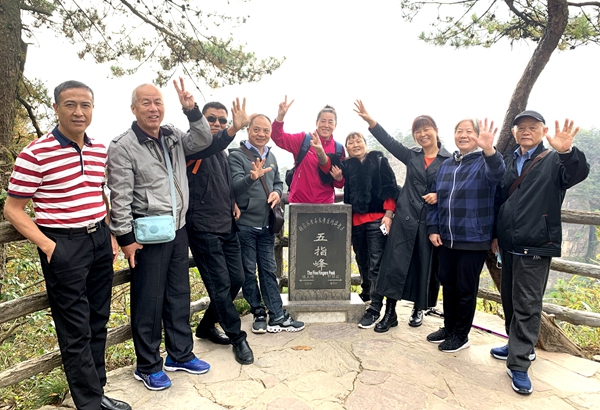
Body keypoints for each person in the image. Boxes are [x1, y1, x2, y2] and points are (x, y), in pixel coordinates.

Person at [5, 81, 131, 410]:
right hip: (64, 245)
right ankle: (89, 403)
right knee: (75, 327)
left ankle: (98, 390)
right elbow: (13, 209)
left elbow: (98, 192)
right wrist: (49, 247)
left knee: (98, 319)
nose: (78, 112)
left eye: (85, 105)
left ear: (93, 109)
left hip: (98, 240)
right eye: (70, 104)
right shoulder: (36, 153)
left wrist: (109, 232)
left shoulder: (98, 149)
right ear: (56, 108)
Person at [108, 79, 213, 391]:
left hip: (177, 229)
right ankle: (148, 365)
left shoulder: (172, 136)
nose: (153, 108)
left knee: (179, 295)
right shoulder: (123, 146)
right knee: (149, 301)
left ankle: (180, 354)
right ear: (133, 108)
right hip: (147, 235)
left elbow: (203, 139)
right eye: (146, 102)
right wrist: (126, 239)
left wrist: (192, 110)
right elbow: (120, 197)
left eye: (158, 102)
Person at [491, 110, 589, 395]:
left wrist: (567, 152)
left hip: (535, 243)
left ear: (544, 131)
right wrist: (496, 235)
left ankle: (519, 364)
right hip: (508, 243)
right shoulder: (509, 160)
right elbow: (500, 197)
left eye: (532, 127)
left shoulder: (555, 160)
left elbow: (577, 173)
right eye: (521, 127)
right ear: (513, 132)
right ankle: (517, 344)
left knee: (527, 303)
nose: (526, 131)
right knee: (510, 298)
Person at [354, 101, 451, 328]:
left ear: (436, 131)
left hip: (430, 222)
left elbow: (457, 188)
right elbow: (389, 142)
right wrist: (371, 122)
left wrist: (441, 195)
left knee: (424, 265)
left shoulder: (449, 160)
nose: (422, 134)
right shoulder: (412, 156)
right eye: (417, 131)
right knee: (394, 265)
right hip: (405, 219)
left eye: (426, 129)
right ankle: (390, 313)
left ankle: (419, 308)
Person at [426, 118, 505, 353]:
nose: (463, 135)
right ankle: (449, 328)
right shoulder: (447, 165)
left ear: (477, 136)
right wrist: (433, 228)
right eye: (459, 131)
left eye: (469, 131)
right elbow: (435, 199)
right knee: (448, 286)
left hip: (473, 238)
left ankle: (461, 335)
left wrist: (489, 150)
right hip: (446, 237)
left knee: (465, 288)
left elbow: (498, 173)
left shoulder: (484, 162)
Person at [185, 101, 255, 365]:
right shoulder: (193, 146)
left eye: (222, 120)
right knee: (220, 285)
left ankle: (205, 327)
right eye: (211, 118)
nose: (217, 123)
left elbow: (225, 185)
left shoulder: (222, 155)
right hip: (203, 228)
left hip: (226, 225)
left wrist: (232, 203)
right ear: (200, 121)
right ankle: (237, 337)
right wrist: (233, 129)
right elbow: (210, 144)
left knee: (237, 278)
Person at [228, 114, 305, 334]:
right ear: (248, 130)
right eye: (257, 129)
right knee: (248, 272)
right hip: (245, 224)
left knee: (269, 270)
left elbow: (278, 182)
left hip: (266, 225)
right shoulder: (236, 156)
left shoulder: (271, 156)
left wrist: (277, 193)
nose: (261, 134)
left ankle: (277, 315)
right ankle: (258, 312)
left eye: (266, 131)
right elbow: (234, 187)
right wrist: (252, 177)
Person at [318, 130, 399, 331]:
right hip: (355, 221)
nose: (355, 144)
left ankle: (375, 308)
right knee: (362, 261)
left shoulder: (379, 160)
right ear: (347, 148)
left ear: (365, 143)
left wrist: (389, 214)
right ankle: (367, 293)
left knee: (376, 264)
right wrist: (337, 176)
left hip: (377, 220)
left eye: (358, 140)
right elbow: (334, 176)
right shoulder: (347, 165)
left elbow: (390, 187)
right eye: (351, 142)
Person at [270, 96, 345, 203]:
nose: (326, 125)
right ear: (317, 122)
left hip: (325, 203)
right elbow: (278, 138)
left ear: (335, 125)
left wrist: (339, 178)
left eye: (330, 122)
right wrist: (280, 117)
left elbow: (339, 184)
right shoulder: (304, 140)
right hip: (298, 201)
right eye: (323, 121)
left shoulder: (338, 149)